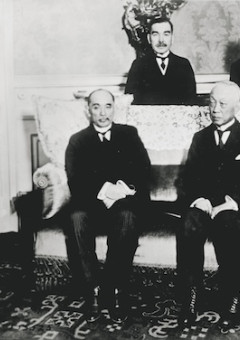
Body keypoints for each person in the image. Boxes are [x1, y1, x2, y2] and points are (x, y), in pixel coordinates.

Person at [176, 81, 240, 328]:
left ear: (237, 107)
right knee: (189, 225)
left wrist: (235, 202)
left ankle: (234, 300)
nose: (215, 108)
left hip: (232, 208)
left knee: (228, 225)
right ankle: (191, 299)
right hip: (205, 204)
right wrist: (199, 199)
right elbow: (187, 178)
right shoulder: (200, 138)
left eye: (222, 104)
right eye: (212, 102)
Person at [65, 89, 151, 323]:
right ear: (88, 110)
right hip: (91, 205)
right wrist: (104, 190)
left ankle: (113, 288)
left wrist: (121, 188)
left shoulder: (129, 134)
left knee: (127, 216)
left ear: (115, 108)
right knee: (76, 217)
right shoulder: (77, 140)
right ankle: (92, 289)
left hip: (123, 202)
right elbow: (76, 180)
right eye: (96, 107)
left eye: (107, 106)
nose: (102, 113)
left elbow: (144, 171)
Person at [125, 17, 196, 105]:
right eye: (155, 34)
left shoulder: (184, 65)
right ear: (149, 38)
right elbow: (129, 102)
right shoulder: (138, 65)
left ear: (172, 38)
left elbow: (191, 102)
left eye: (166, 34)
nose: (161, 40)